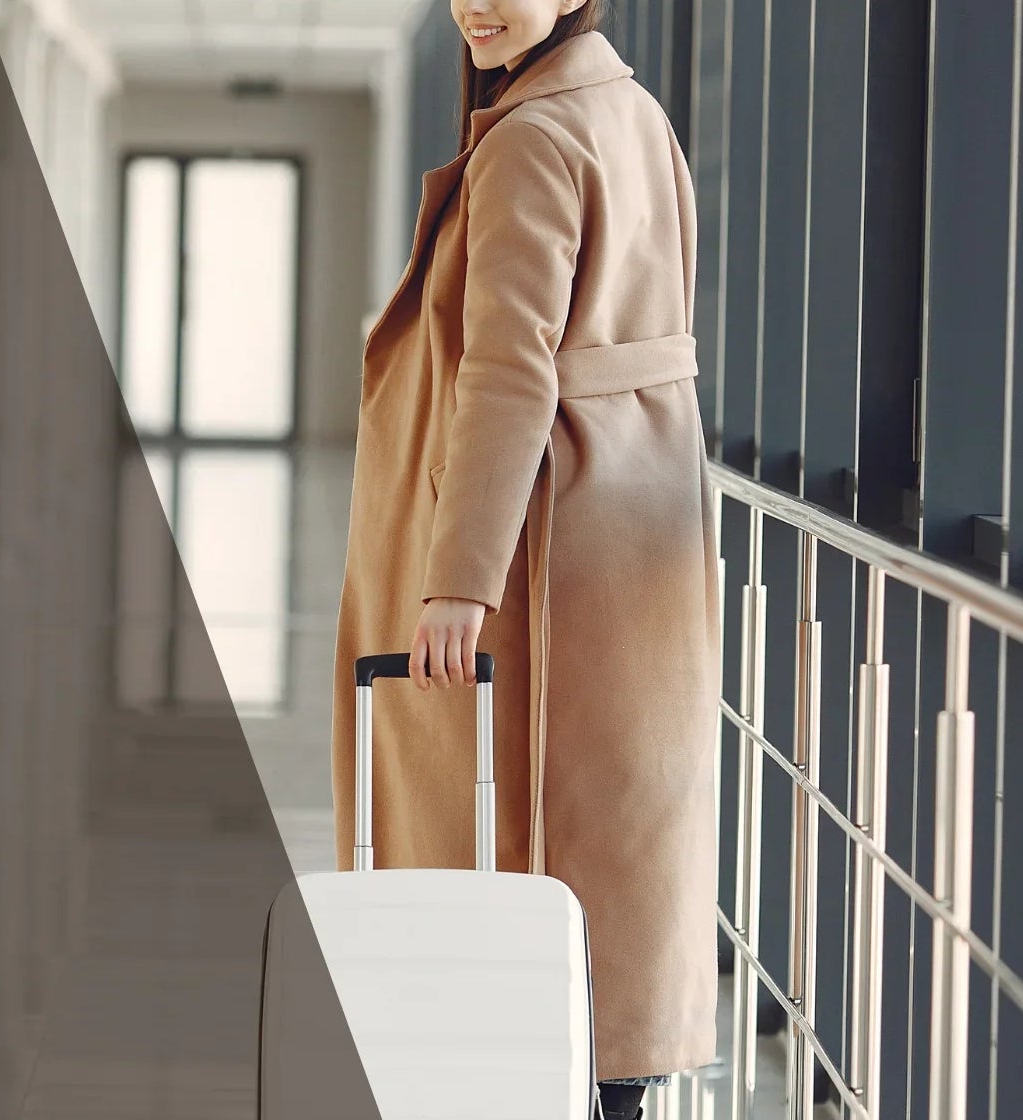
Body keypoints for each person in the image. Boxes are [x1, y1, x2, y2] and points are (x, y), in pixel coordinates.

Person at [330, 1, 720, 1114]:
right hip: (632, 533)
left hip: (542, 551)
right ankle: (615, 1075)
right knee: (619, 848)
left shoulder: (532, 140)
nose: (477, 2)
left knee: (509, 849)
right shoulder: (633, 115)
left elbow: (509, 370)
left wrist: (457, 580)